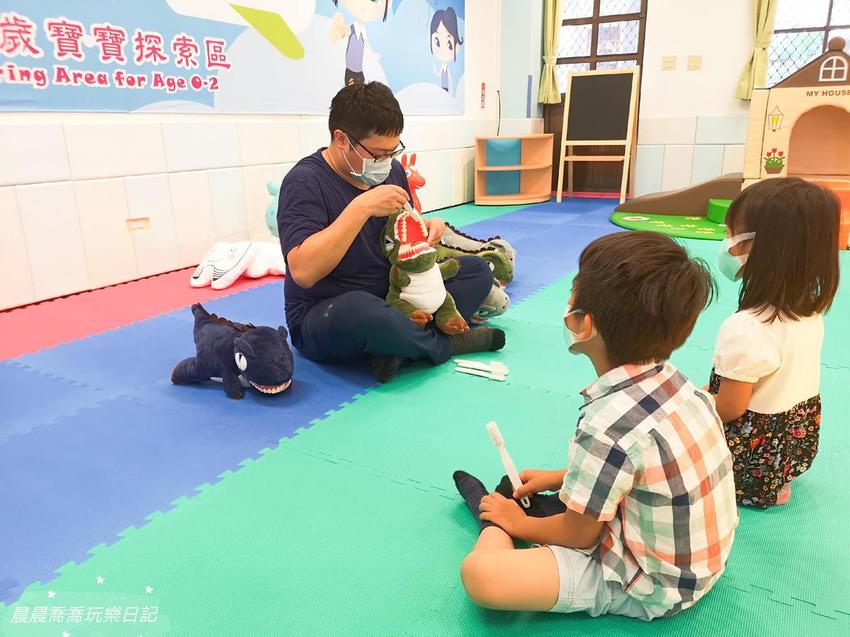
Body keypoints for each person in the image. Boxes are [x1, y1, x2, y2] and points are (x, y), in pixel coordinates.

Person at [452, 231, 738, 620]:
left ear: (582, 324)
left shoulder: (607, 425)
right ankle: (522, 508)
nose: (567, 302)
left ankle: (495, 518)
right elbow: (642, 467)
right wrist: (559, 477)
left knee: (481, 576)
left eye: (573, 292)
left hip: (653, 586)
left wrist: (516, 523)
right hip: (702, 565)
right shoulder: (679, 383)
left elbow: (580, 534)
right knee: (561, 504)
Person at [277, 82, 503, 384]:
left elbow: (401, 233)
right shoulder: (304, 182)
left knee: (476, 271)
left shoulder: (392, 171)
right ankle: (445, 343)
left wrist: (425, 230)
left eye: (392, 151)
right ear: (341, 140)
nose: (386, 162)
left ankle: (396, 345)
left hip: (394, 296)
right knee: (364, 311)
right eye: (378, 153)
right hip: (327, 311)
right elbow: (303, 272)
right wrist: (360, 208)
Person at [709, 177, 840, 508]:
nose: (725, 243)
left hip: (751, 461)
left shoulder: (746, 327)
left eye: (730, 234)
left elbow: (729, 408)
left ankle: (750, 488)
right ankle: (776, 482)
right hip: (793, 447)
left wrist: (690, 404)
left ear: (761, 247)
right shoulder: (810, 312)